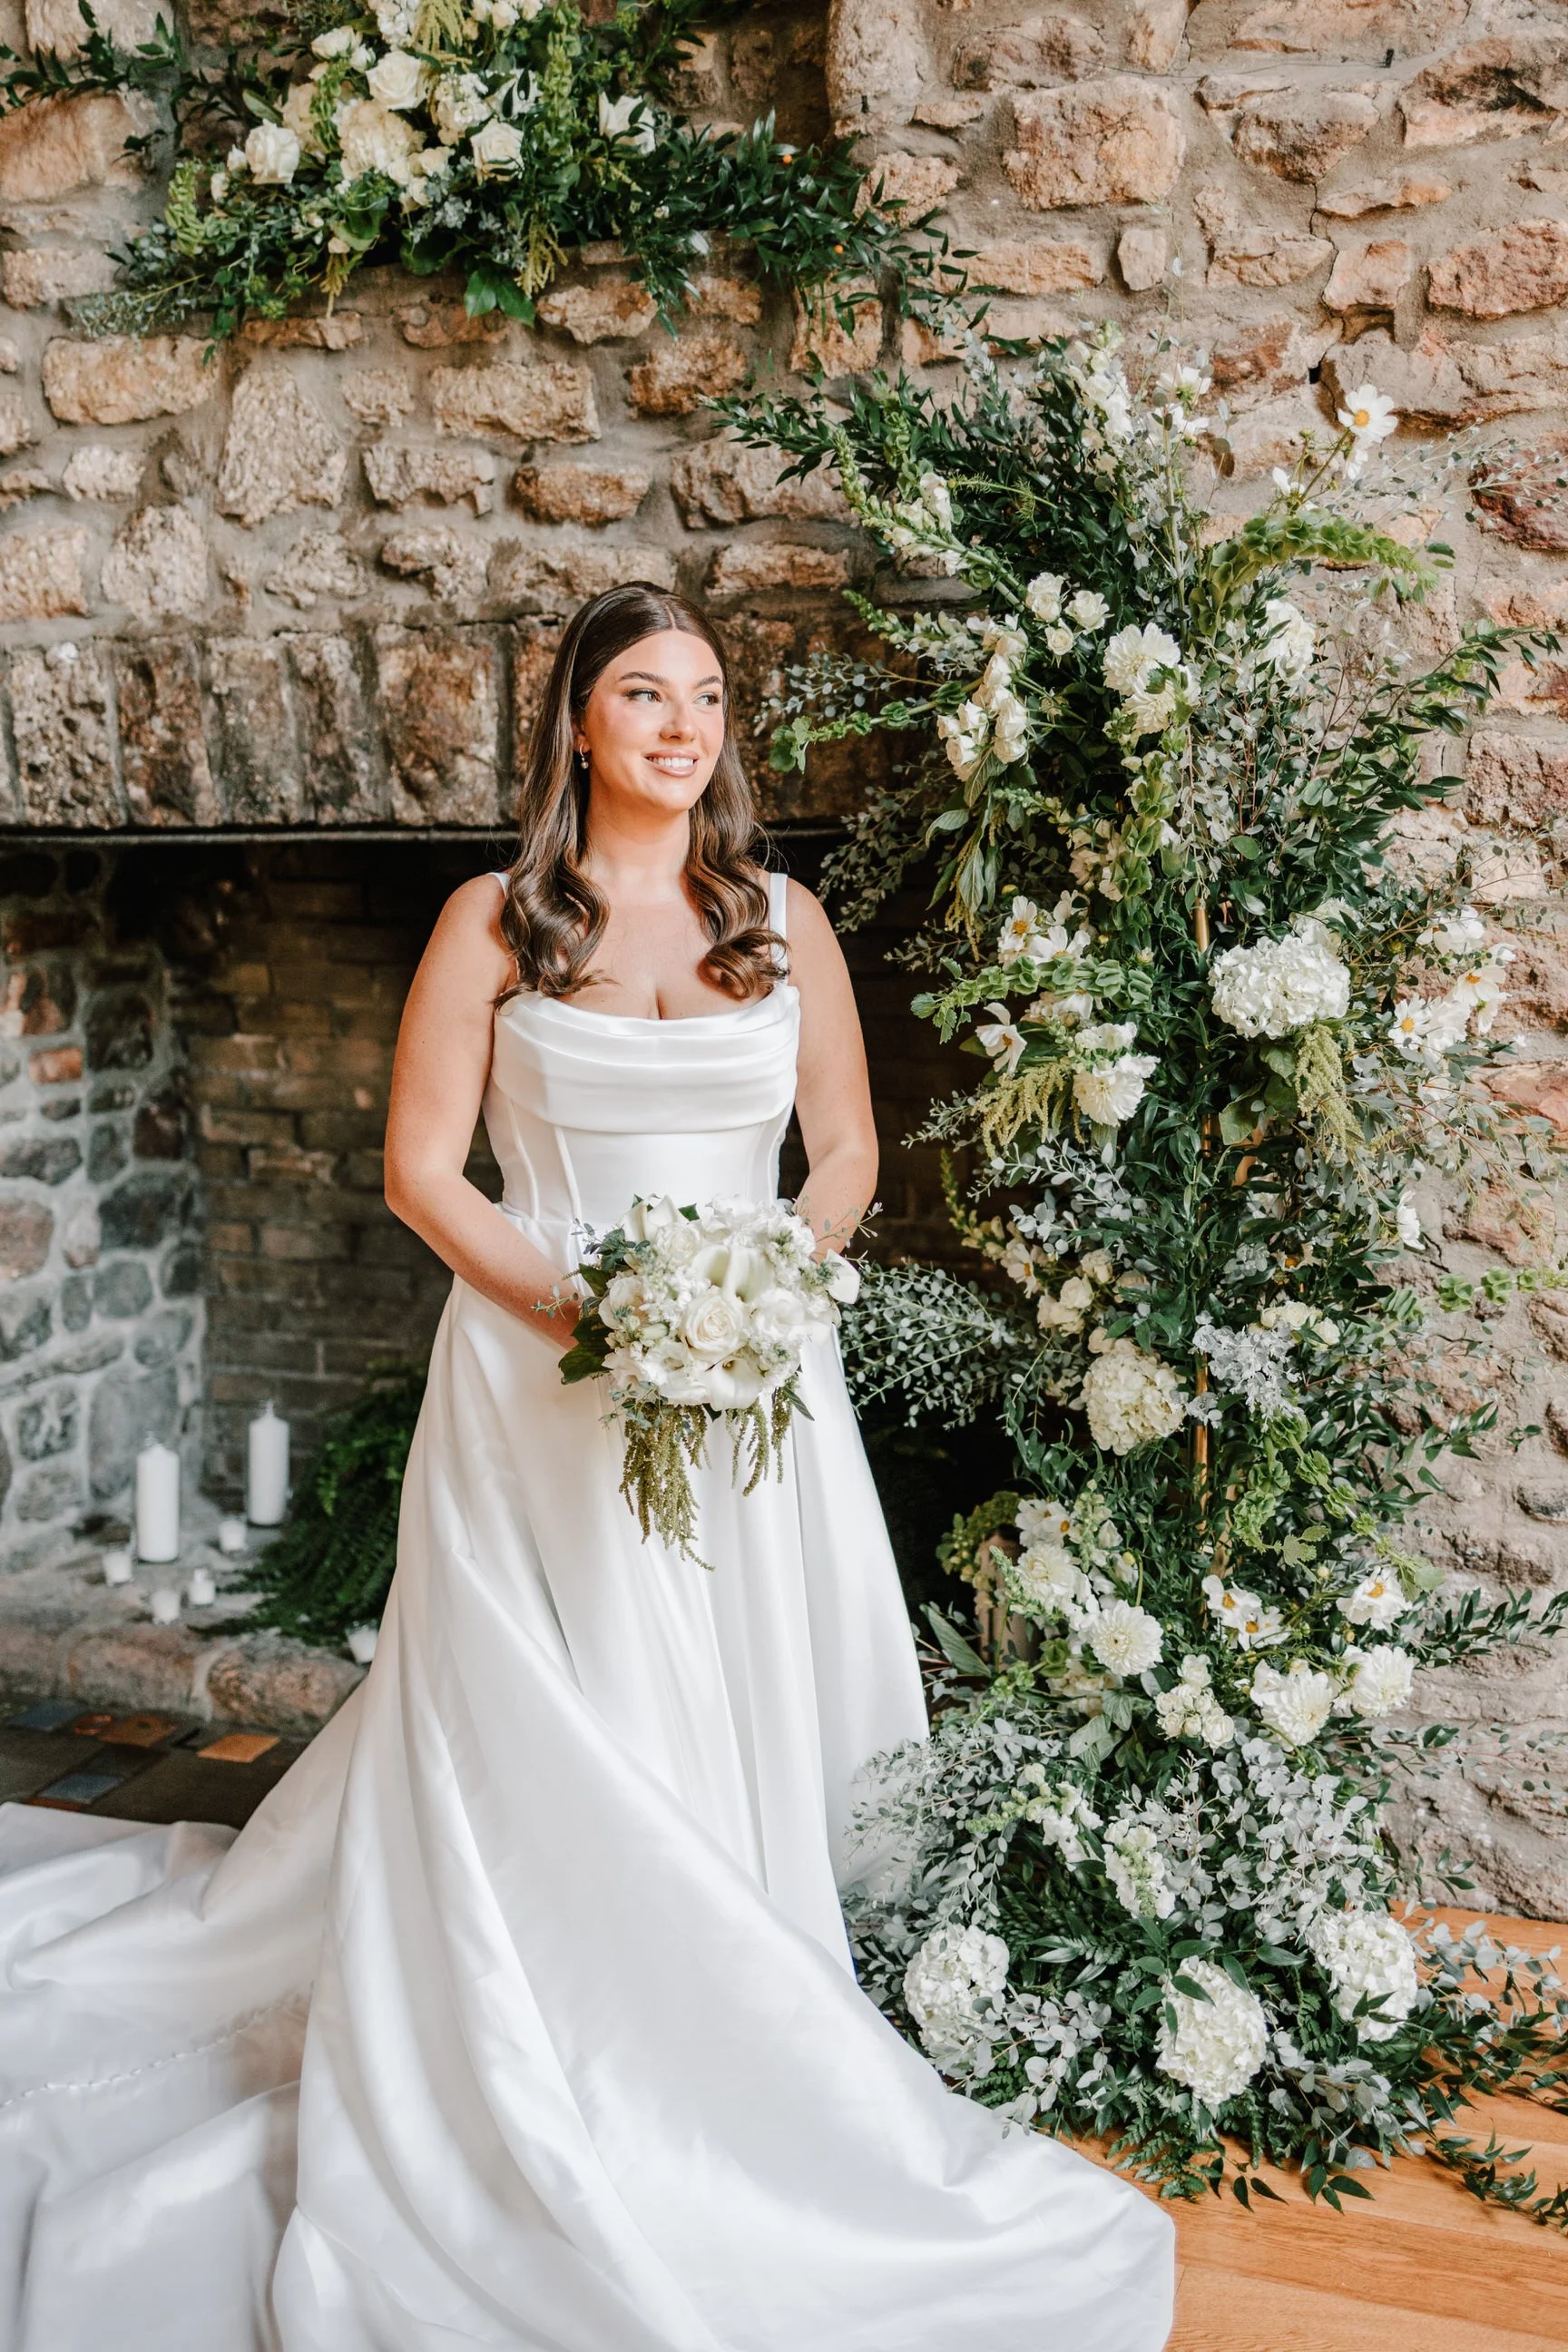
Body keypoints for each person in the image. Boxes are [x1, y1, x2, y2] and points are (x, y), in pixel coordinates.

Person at [0, 584, 1175, 2352]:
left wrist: (766, 1287)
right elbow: (423, 1173)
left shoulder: (782, 920)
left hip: (750, 1382)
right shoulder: (493, 919)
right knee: (567, 1714)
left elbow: (843, 1148)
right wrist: (596, 1315)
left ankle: (753, 2007)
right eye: (643, 694)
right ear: (576, 724)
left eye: (706, 698)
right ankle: (561, 2016)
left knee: (736, 1692)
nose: (681, 727)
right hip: (537, 1381)